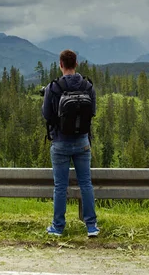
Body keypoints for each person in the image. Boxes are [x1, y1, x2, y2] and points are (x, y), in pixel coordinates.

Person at [42, 49, 99, 237]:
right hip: (82, 142)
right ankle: (91, 226)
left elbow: (47, 115)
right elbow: (92, 112)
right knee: (86, 183)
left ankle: (58, 227)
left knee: (60, 186)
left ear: (61, 65)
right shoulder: (87, 86)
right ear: (76, 64)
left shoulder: (53, 88)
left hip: (60, 143)